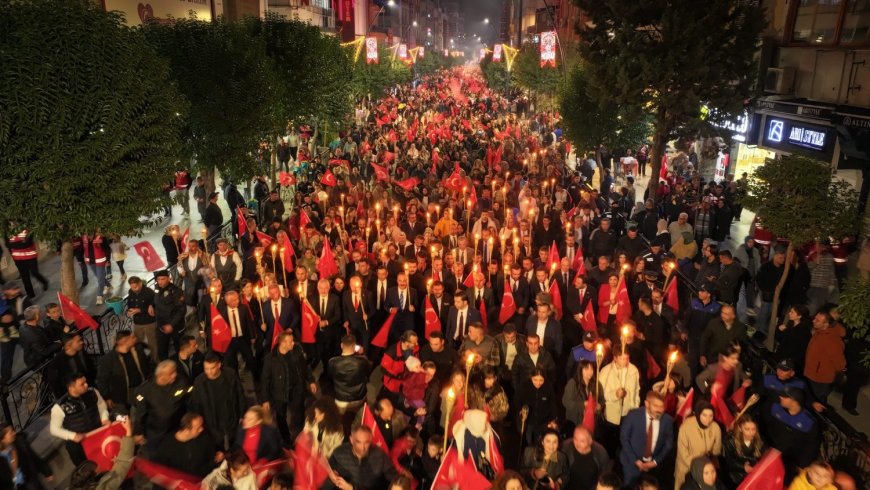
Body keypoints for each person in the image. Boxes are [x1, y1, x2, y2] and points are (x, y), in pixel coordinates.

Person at [261, 331, 316, 445]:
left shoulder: (296, 351)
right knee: (281, 416)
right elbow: (265, 380)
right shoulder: (271, 359)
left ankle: (300, 435)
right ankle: (286, 439)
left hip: (297, 389)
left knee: (299, 412)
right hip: (280, 392)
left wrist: (311, 381)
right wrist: (265, 399)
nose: (293, 343)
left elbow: (305, 367)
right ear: (283, 343)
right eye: (291, 341)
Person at [189, 351, 248, 450]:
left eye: (212, 368)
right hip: (211, 421)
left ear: (219, 365)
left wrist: (242, 414)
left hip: (230, 416)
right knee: (216, 445)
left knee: (235, 442)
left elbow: (239, 395)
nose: (209, 372)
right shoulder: (199, 381)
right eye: (206, 369)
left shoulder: (230, 375)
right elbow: (196, 404)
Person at [49, 372, 110, 465]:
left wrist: (104, 418)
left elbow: (101, 405)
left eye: (85, 382)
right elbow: (54, 429)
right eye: (82, 384)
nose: (86, 385)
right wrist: (72, 436)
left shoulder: (92, 392)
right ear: (71, 388)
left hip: (97, 434)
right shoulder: (60, 406)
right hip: (79, 445)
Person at [132, 360, 190, 454]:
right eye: (171, 373)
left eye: (175, 371)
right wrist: (138, 432)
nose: (174, 375)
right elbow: (140, 413)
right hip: (156, 434)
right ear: (160, 375)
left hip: (176, 429)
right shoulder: (145, 390)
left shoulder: (181, 381)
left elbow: (188, 399)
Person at [619, 391, 675, 488]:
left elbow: (668, 443)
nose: (659, 410)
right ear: (646, 404)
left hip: (653, 467)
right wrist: (636, 461)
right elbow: (624, 439)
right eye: (656, 406)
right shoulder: (633, 415)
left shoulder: (667, 420)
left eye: (662, 407)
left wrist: (655, 462)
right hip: (631, 464)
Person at [763, 387, 820, 477]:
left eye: (785, 397)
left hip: (791, 462)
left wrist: (802, 465)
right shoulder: (776, 409)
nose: (780, 397)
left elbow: (811, 446)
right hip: (772, 454)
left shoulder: (808, 422)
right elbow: (767, 427)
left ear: (794, 401)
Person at [325, 425, 398, 490]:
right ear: (351, 439)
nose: (363, 447)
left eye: (366, 443)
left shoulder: (380, 455)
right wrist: (331, 478)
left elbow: (394, 480)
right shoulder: (339, 453)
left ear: (371, 440)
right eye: (358, 442)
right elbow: (325, 480)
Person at [96, 330, 152, 413]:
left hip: (141, 388)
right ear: (124, 341)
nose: (135, 339)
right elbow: (102, 380)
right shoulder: (108, 360)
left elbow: (147, 366)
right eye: (132, 338)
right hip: (121, 396)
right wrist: (106, 397)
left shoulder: (138, 349)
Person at [154, 412, 217, 479]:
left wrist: (215, 459)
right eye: (198, 428)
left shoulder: (203, 438)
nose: (202, 429)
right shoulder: (166, 448)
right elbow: (159, 473)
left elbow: (210, 457)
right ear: (187, 430)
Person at [674, 401, 722, 489]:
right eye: (704, 415)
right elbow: (683, 454)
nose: (708, 419)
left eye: (711, 416)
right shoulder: (686, 427)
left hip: (706, 471)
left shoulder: (715, 428)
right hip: (687, 468)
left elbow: (716, 450)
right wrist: (698, 467)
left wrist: (710, 464)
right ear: (698, 413)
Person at [803, 311, 846, 406]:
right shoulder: (820, 332)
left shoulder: (832, 340)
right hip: (811, 374)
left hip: (820, 379)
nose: (813, 321)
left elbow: (840, 362)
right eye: (815, 318)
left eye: (817, 320)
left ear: (826, 324)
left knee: (815, 403)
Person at [328, 334, 372, 415]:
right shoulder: (362, 361)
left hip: (341, 398)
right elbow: (368, 371)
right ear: (355, 346)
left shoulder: (332, 362)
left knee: (339, 419)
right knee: (360, 417)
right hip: (359, 397)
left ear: (342, 345)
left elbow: (330, 376)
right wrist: (362, 354)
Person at [0, 423, 53, 489]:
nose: (14, 433)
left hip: (30, 481)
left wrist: (46, 471)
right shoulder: (2, 457)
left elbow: (33, 456)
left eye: (13, 431)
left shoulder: (19, 442)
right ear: (2, 439)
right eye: (10, 433)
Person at [514, 368, 557, 446]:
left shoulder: (549, 387)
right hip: (528, 420)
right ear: (531, 378)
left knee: (540, 441)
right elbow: (517, 401)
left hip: (543, 421)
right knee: (528, 439)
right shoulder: (523, 386)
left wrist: (553, 419)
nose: (538, 383)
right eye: (535, 380)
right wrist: (520, 411)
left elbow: (553, 404)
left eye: (541, 380)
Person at [721, 415, 766, 488]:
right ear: (740, 428)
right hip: (737, 477)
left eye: (753, 429)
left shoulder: (760, 441)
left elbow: (764, 457)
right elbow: (729, 461)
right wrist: (743, 467)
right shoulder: (730, 442)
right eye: (747, 429)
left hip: (755, 476)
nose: (751, 433)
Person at [560, 425, 611, 490]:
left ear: (590, 441)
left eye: (582, 441)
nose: (577, 443)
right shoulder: (566, 447)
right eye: (575, 439)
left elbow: (605, 474)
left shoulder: (600, 451)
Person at [4, 229, 48, 299]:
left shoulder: (25, 227)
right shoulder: (7, 230)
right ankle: (31, 295)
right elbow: (7, 244)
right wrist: (22, 243)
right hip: (18, 258)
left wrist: (14, 245)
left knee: (35, 273)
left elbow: (28, 243)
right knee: (25, 277)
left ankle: (44, 282)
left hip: (30, 256)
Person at [699, 305, 747, 369]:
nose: (722, 315)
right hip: (713, 357)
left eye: (726, 314)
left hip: (729, 360)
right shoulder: (713, 323)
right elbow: (704, 338)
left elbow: (743, 344)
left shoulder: (740, 328)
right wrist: (702, 355)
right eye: (722, 312)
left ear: (733, 316)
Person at [152, 269, 186, 360]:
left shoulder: (176, 291)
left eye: (163, 279)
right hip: (161, 324)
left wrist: (171, 324)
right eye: (158, 279)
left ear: (168, 279)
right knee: (162, 349)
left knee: (180, 348)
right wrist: (151, 305)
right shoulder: (156, 287)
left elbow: (181, 311)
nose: (160, 281)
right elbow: (155, 299)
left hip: (175, 325)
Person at [562, 360, 604, 427]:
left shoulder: (596, 384)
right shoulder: (573, 383)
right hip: (576, 421)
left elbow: (601, 399)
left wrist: (600, 406)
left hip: (591, 420)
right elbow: (566, 401)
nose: (589, 372)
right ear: (580, 370)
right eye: (586, 369)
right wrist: (583, 404)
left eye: (591, 369)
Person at [774, 304, 812, 375]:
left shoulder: (803, 331)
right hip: (782, 358)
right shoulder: (790, 324)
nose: (789, 313)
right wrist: (779, 330)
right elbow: (780, 339)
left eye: (792, 312)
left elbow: (799, 349)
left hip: (789, 363)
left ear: (799, 316)